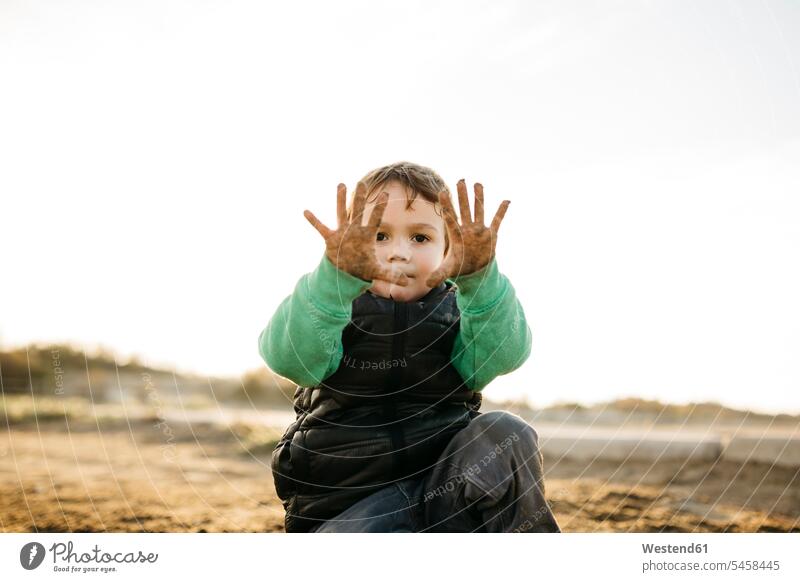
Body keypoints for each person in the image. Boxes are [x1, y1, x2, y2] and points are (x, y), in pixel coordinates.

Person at [258, 161, 560, 533]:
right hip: (351, 514)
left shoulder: (460, 314)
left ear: (449, 249)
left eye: (420, 238)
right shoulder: (332, 307)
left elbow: (506, 353)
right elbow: (291, 360)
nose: (398, 252)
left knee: (505, 432)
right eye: (379, 235)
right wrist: (333, 280)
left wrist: (481, 280)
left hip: (444, 503)